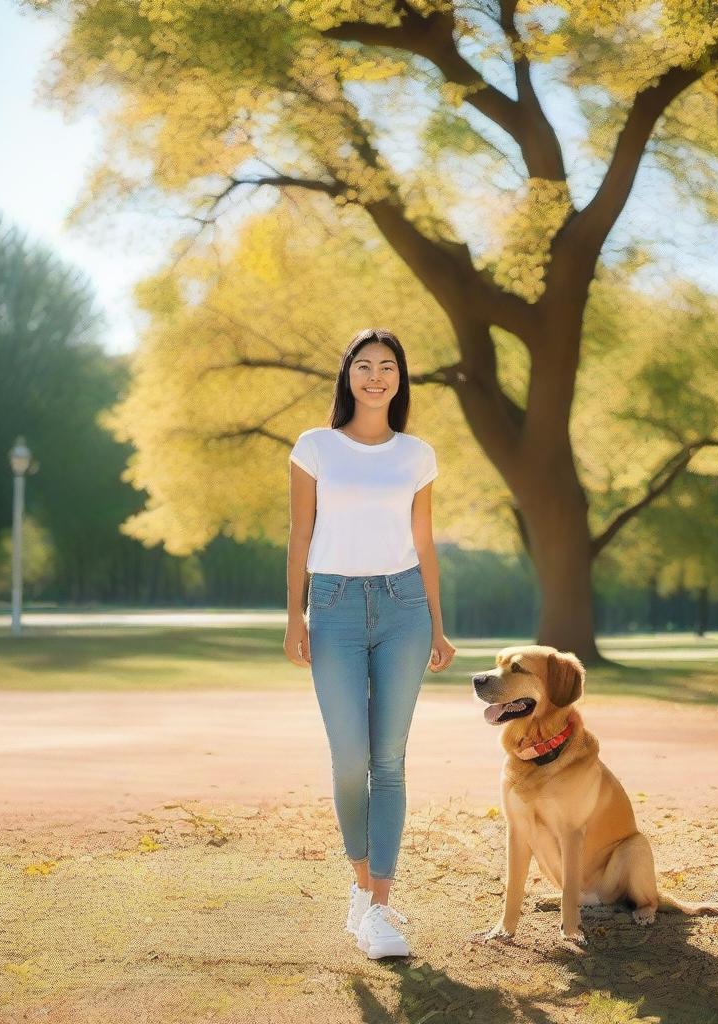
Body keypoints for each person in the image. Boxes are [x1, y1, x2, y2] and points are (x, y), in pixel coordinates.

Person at [283, 327, 456, 959]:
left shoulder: (417, 454)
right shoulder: (315, 447)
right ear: (348, 375)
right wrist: (295, 616)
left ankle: (379, 906)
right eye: (365, 365)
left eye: (387, 367)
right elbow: (300, 535)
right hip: (331, 605)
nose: (376, 376)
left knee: (390, 758)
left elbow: (425, 541)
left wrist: (437, 623)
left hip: (404, 605)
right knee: (350, 756)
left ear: (400, 378)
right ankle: (359, 882)